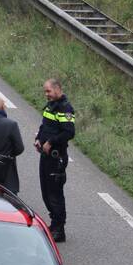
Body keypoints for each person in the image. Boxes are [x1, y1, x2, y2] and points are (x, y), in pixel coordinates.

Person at [34, 78, 76, 242]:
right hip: (45, 156)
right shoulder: (51, 106)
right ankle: (54, 224)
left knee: (55, 193)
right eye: (45, 91)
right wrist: (39, 138)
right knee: (45, 191)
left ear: (58, 89)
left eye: (49, 91)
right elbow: (44, 126)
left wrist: (50, 142)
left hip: (56, 157)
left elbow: (69, 132)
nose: (47, 94)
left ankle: (59, 229)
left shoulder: (65, 108)